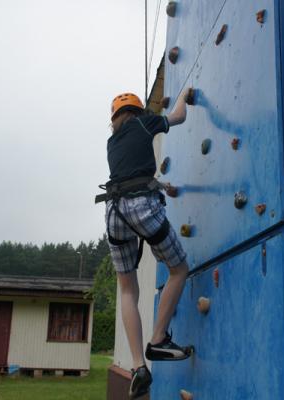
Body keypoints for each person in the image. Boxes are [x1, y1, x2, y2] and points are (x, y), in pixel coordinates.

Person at [100, 89, 192, 399]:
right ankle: (158, 339)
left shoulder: (112, 141)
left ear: (115, 119)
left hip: (113, 212)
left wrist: (163, 186)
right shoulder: (144, 123)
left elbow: (132, 176)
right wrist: (185, 94)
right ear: (138, 112)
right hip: (141, 208)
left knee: (128, 290)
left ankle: (139, 366)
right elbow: (178, 116)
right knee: (179, 269)